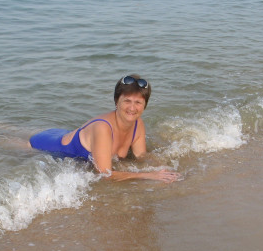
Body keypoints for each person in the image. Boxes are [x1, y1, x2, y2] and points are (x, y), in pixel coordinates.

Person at [29, 76, 180, 183]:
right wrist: (149, 175)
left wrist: (166, 167)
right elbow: (105, 174)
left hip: (64, 133)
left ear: (145, 105)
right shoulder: (103, 128)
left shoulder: (137, 123)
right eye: (127, 101)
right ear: (116, 101)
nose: (132, 108)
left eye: (138, 102)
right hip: (47, 145)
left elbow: (141, 157)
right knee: (15, 141)